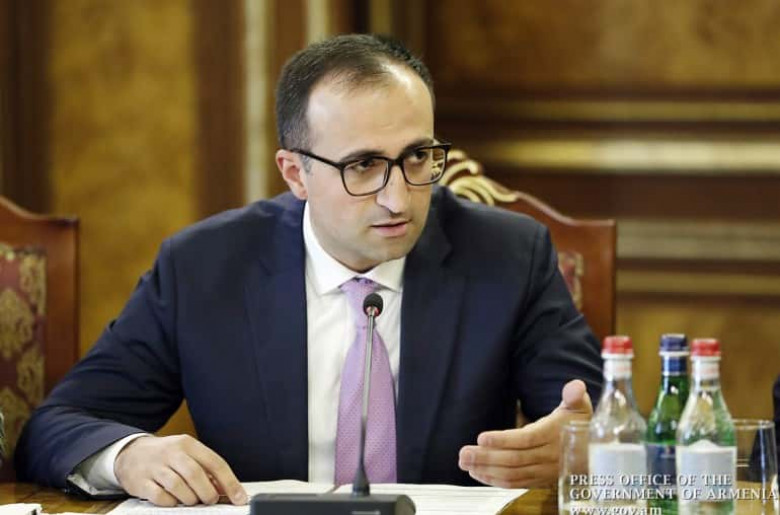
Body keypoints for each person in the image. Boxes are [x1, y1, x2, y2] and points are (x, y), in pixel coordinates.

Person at [16, 34, 602, 506]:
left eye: (417, 157)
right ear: (296, 173)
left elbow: (597, 418)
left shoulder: (509, 256)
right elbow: (58, 425)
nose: (398, 197)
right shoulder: (204, 268)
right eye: (363, 166)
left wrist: (583, 445)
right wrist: (129, 456)